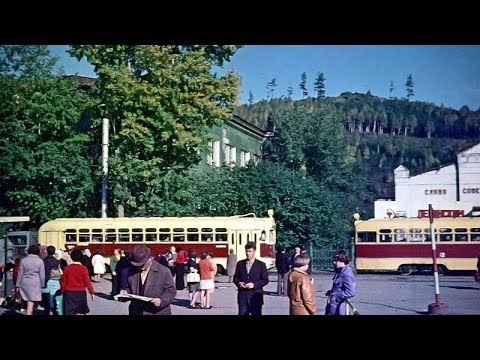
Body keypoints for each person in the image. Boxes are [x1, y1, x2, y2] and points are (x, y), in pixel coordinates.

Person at [126, 245, 176, 315]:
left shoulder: (164, 271)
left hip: (157, 312)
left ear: (150, 258)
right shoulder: (132, 270)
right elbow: (128, 287)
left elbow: (171, 290)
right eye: (137, 265)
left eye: (142, 264)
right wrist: (125, 292)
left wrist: (161, 301)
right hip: (136, 311)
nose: (139, 267)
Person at [233, 242, 269, 315]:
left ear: (254, 251)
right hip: (243, 298)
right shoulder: (240, 264)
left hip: (256, 297)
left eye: (250, 251)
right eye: (246, 251)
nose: (248, 253)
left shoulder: (261, 265)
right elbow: (236, 278)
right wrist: (239, 283)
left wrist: (254, 284)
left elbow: (265, 280)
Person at [61, 248, 95, 315]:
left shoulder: (67, 268)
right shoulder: (84, 268)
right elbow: (87, 282)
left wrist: (62, 291)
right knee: (81, 311)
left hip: (69, 292)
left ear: (71, 257)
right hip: (80, 292)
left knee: (69, 311)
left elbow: (63, 282)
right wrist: (92, 293)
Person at [16, 244, 45, 315]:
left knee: (28, 299)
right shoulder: (40, 261)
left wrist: (17, 285)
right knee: (31, 301)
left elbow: (20, 274)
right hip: (35, 282)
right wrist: (42, 284)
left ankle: (30, 311)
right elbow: (42, 274)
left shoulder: (24, 260)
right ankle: (30, 312)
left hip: (25, 282)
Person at [325, 249, 356, 315]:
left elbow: (351, 292)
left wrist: (336, 295)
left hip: (338, 306)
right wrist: (331, 292)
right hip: (333, 304)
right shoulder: (340, 271)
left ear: (343, 260)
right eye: (334, 260)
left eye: (336, 260)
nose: (334, 262)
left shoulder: (346, 274)